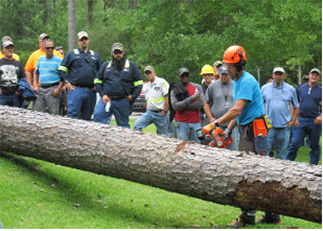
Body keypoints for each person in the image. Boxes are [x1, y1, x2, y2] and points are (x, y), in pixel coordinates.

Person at [211, 45, 280, 227]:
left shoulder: (247, 81)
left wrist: (216, 123)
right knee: (262, 172)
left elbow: (236, 109)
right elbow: (239, 113)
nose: (226, 68)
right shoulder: (238, 81)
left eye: (230, 65)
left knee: (251, 172)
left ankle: (248, 216)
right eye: (225, 64)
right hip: (248, 127)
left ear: (240, 64)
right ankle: (272, 214)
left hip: (255, 130)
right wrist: (227, 130)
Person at [93, 42, 143, 128]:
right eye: (116, 52)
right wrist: (103, 95)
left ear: (123, 52)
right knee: (98, 118)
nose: (118, 55)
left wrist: (133, 96)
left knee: (123, 127)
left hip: (123, 101)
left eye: (119, 52)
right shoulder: (105, 66)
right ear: (112, 53)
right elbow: (97, 81)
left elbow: (139, 83)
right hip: (106, 100)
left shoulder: (131, 66)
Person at [58, 31, 102, 120]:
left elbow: (101, 72)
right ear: (78, 41)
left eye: (85, 39)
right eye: (82, 39)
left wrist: (98, 85)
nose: (84, 41)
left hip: (91, 91)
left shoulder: (95, 56)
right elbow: (61, 69)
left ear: (88, 40)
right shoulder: (72, 54)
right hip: (76, 90)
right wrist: (66, 82)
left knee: (87, 117)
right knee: (72, 117)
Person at [261, 67, 299, 159]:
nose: (278, 76)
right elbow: (259, 105)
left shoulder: (290, 89)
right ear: (272, 76)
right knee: (265, 152)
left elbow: (296, 106)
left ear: (284, 76)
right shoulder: (264, 88)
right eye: (276, 74)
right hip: (268, 126)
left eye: (280, 74)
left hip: (284, 126)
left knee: (282, 153)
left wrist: (293, 121)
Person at [287, 68, 322, 165]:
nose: (314, 77)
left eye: (316, 75)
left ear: (319, 77)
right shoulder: (300, 88)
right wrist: (295, 118)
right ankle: (288, 163)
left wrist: (321, 116)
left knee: (314, 145)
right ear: (309, 75)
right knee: (295, 143)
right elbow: (293, 103)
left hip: (315, 121)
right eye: (312, 74)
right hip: (300, 119)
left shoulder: (321, 89)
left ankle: (314, 167)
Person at [204, 66, 240, 150]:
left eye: (226, 74)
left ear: (229, 74)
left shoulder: (236, 85)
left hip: (232, 124)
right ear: (219, 74)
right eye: (222, 74)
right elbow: (205, 103)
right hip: (217, 124)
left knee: (233, 150)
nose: (224, 76)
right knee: (217, 150)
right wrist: (210, 118)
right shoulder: (212, 86)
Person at [24, 33, 63, 108]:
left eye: (47, 39)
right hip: (39, 89)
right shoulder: (35, 56)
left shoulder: (57, 55)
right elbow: (29, 70)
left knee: (53, 113)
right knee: (37, 112)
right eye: (43, 40)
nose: (45, 41)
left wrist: (61, 87)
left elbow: (64, 71)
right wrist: (32, 85)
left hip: (53, 87)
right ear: (39, 42)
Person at [169, 67, 204, 143]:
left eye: (186, 75)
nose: (185, 77)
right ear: (179, 77)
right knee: (182, 147)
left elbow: (201, 103)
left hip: (195, 122)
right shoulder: (175, 89)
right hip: (181, 122)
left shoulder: (197, 87)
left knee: (197, 148)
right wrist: (191, 99)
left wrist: (184, 105)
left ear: (189, 76)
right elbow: (175, 106)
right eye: (183, 76)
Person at [134, 66, 169, 135]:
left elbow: (167, 95)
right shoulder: (147, 86)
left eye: (149, 72)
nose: (148, 75)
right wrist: (147, 109)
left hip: (160, 113)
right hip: (150, 113)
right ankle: (142, 142)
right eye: (146, 73)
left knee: (163, 136)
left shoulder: (161, 82)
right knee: (137, 125)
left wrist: (165, 110)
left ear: (154, 72)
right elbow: (147, 99)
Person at [32, 40, 63, 114]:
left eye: (52, 48)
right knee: (36, 113)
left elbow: (64, 76)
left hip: (53, 89)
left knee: (54, 115)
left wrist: (58, 89)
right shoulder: (40, 59)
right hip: (41, 89)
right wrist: (35, 85)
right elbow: (36, 72)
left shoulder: (59, 60)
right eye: (48, 48)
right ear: (45, 49)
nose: (50, 50)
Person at [0, 40, 26, 107]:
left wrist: (19, 90)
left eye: (11, 48)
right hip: (2, 94)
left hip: (15, 94)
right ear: (3, 50)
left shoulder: (18, 63)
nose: (9, 49)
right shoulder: (0, 62)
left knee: (16, 115)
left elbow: (23, 78)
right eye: (7, 48)